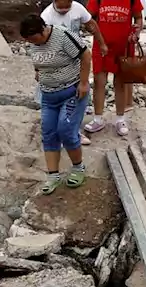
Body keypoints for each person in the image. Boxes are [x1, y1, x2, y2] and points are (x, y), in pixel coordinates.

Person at [22, 13, 93, 195]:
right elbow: (37, 60)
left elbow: (85, 55)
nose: (33, 43)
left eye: (35, 39)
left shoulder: (62, 36)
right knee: (49, 132)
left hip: (72, 91)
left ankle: (78, 168)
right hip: (48, 95)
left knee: (66, 129)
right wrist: (38, 72)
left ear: (42, 30)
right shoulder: (33, 43)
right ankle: (53, 175)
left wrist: (84, 83)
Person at [83, 0, 145, 138]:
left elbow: (139, 17)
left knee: (120, 83)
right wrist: (92, 30)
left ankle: (120, 119)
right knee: (99, 81)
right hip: (101, 45)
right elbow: (88, 18)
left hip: (124, 45)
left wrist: (137, 31)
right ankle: (98, 118)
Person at [41, 0, 107, 55]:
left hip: (77, 49)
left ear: (71, 2)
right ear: (54, 2)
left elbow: (92, 25)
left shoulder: (78, 8)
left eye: (67, 7)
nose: (64, 10)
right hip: (57, 52)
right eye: (60, 8)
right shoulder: (46, 16)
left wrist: (102, 44)